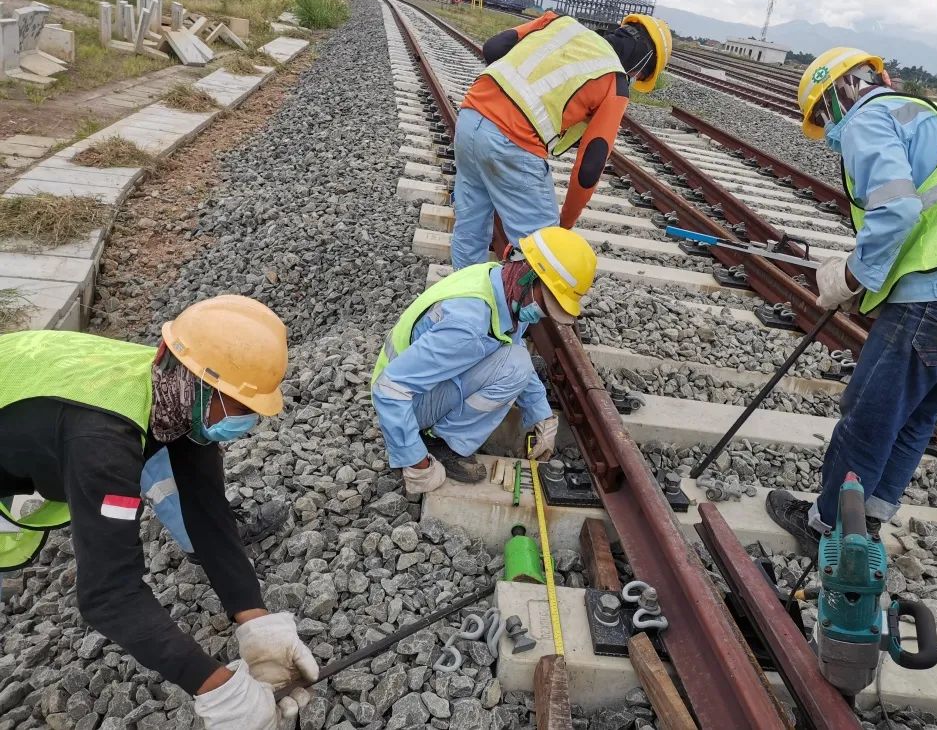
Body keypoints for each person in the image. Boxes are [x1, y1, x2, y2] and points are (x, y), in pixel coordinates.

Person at [766, 47, 937, 553]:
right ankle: (867, 524)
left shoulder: (866, 119)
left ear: (836, 94)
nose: (827, 131)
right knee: (916, 416)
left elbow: (896, 209)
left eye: (821, 117)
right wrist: (870, 286)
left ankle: (828, 529)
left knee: (868, 414)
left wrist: (850, 278)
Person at [0, 296, 318, 729]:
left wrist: (257, 624)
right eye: (238, 406)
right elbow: (108, 594)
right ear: (198, 383)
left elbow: (207, 511)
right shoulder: (103, 445)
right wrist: (217, 689)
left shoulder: (179, 396)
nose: (243, 421)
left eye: (251, 410)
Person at [372, 227, 597, 493]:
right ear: (528, 276)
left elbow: (508, 348)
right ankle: (441, 442)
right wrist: (416, 463)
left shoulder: (500, 283)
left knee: (517, 360)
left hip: (418, 387)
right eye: (546, 304)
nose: (542, 314)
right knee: (516, 365)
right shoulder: (468, 326)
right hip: (408, 404)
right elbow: (389, 389)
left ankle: (440, 433)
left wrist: (541, 415)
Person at [450, 11, 673, 268]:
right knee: (544, 254)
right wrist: (564, 224)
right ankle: (522, 306)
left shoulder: (559, 22)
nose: (636, 80)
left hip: (470, 116)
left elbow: (493, 48)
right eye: (642, 76)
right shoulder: (615, 81)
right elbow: (589, 168)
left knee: (469, 230)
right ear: (644, 61)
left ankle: (464, 302)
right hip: (513, 142)